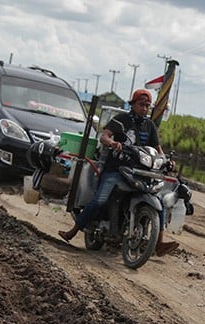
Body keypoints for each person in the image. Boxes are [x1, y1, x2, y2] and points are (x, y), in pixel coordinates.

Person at [58, 88, 180, 257]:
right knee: (99, 200)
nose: (144, 108)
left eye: (147, 106)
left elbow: (158, 148)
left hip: (141, 172)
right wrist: (113, 143)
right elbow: (104, 136)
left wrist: (166, 160)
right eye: (141, 105)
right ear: (133, 104)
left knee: (160, 203)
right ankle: (73, 230)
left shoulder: (149, 125)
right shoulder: (121, 120)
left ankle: (159, 243)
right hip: (116, 169)